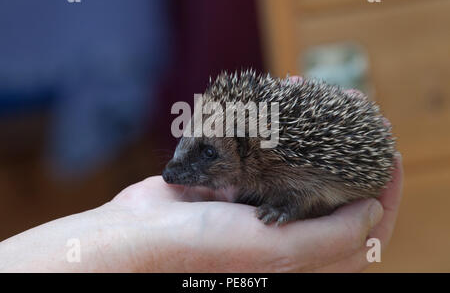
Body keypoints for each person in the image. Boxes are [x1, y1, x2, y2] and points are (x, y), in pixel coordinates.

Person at [0, 152, 402, 272]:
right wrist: (140, 240)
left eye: (205, 154)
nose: (172, 175)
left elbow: (308, 187)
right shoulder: (247, 169)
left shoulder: (285, 165)